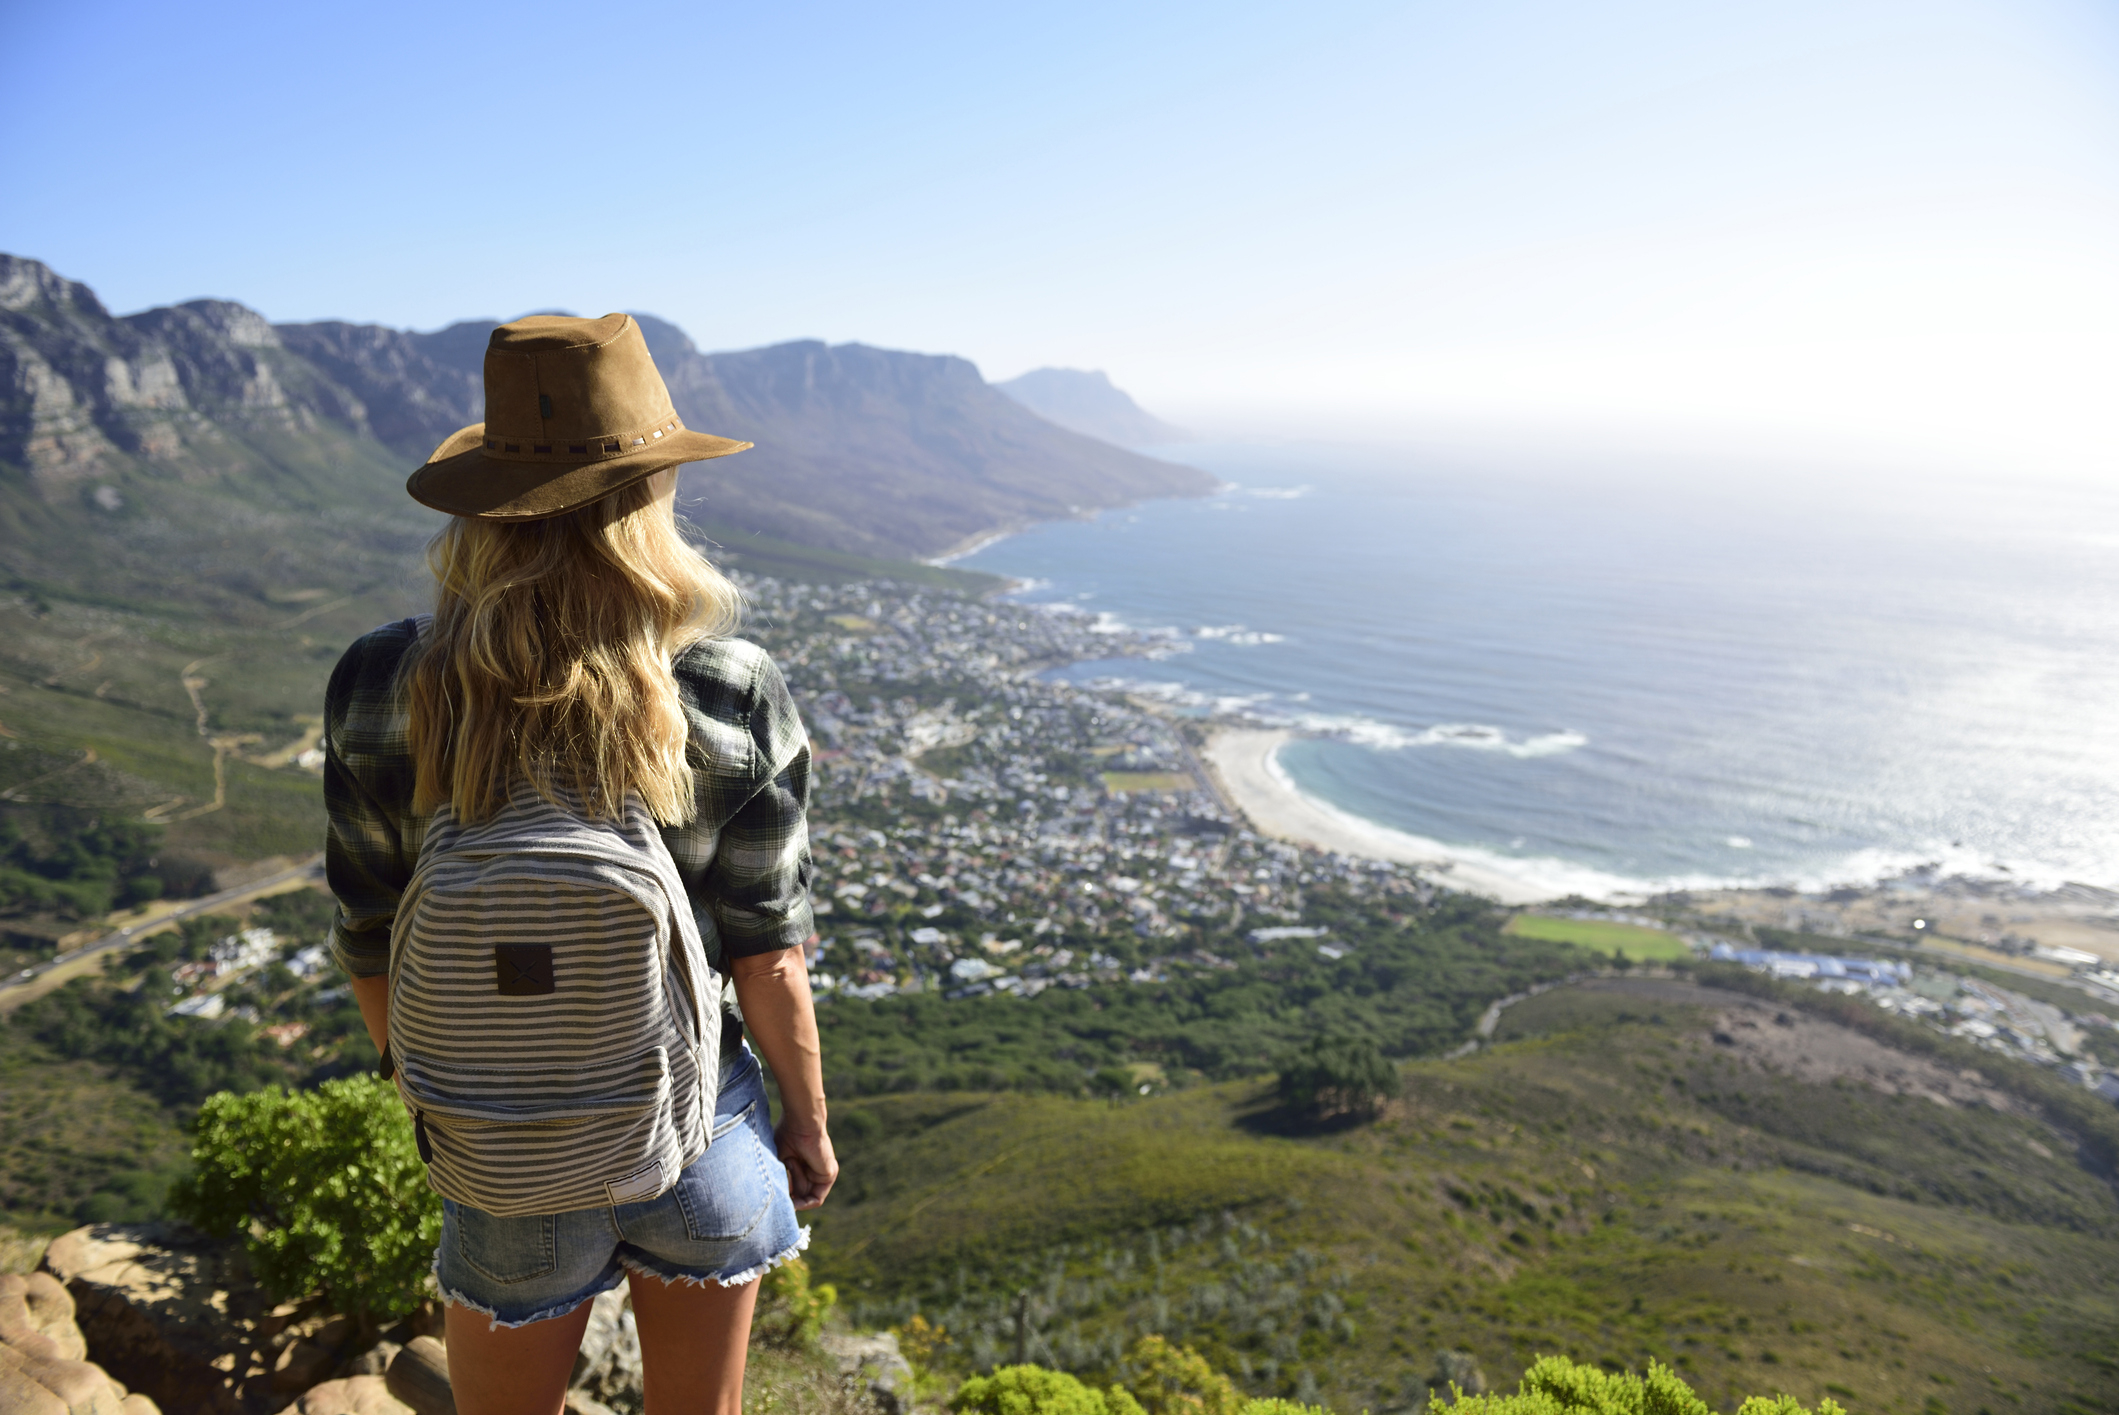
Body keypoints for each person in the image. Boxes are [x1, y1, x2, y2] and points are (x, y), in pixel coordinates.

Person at [322, 313, 834, 1415]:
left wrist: (438, 1095)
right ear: (649, 498)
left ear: (481, 510)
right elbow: (767, 956)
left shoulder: (382, 679)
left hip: (500, 1162)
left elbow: (369, 930)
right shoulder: (727, 686)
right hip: (694, 1135)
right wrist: (808, 1121)